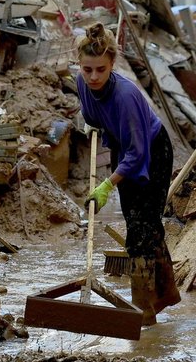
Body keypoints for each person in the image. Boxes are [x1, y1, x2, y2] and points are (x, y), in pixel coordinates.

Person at [76, 23, 180, 325]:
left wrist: (107, 185)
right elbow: (89, 111)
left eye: (100, 70)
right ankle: (166, 294)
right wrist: (90, 121)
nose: (93, 76)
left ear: (112, 65)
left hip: (152, 151)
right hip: (125, 147)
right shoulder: (82, 83)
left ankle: (143, 314)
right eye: (87, 69)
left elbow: (137, 154)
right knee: (139, 222)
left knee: (140, 232)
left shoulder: (126, 96)